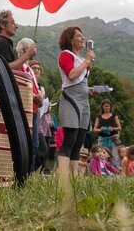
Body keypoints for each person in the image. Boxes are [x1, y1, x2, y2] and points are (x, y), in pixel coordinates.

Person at [56, 26, 96, 176]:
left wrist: (90, 89)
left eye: (82, 35)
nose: (82, 38)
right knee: (69, 138)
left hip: (83, 100)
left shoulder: (81, 59)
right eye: (79, 36)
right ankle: (62, 178)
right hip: (71, 99)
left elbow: (80, 80)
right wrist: (86, 61)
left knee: (79, 140)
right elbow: (71, 75)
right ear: (70, 39)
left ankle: (74, 177)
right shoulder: (65, 55)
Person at [15, 38, 43, 173]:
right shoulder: (19, 66)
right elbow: (19, 87)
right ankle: (24, 174)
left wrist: (40, 97)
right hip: (26, 109)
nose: (36, 49)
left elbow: (34, 87)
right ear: (25, 49)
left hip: (34, 109)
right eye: (34, 47)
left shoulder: (28, 67)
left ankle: (29, 173)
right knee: (28, 143)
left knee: (35, 145)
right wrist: (34, 97)